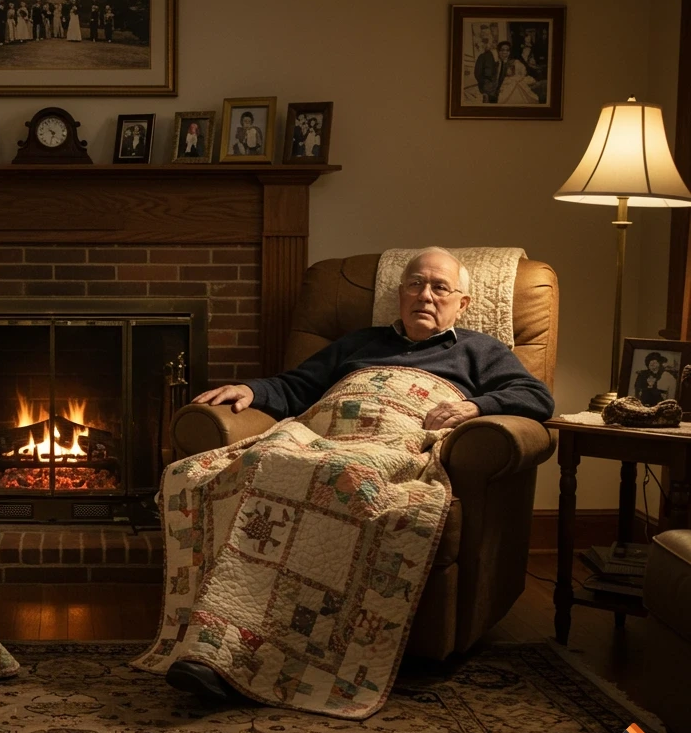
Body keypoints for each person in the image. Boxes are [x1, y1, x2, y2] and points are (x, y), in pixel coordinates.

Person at [165, 247, 554, 701]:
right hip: (325, 437)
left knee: (340, 479)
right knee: (265, 461)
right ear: (400, 294)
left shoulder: (479, 350)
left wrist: (474, 405)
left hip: (392, 445)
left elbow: (535, 396)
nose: (424, 295)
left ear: (462, 303)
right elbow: (296, 387)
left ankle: (244, 658)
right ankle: (215, 643)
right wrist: (250, 389)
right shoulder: (359, 343)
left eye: (439, 287)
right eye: (414, 284)